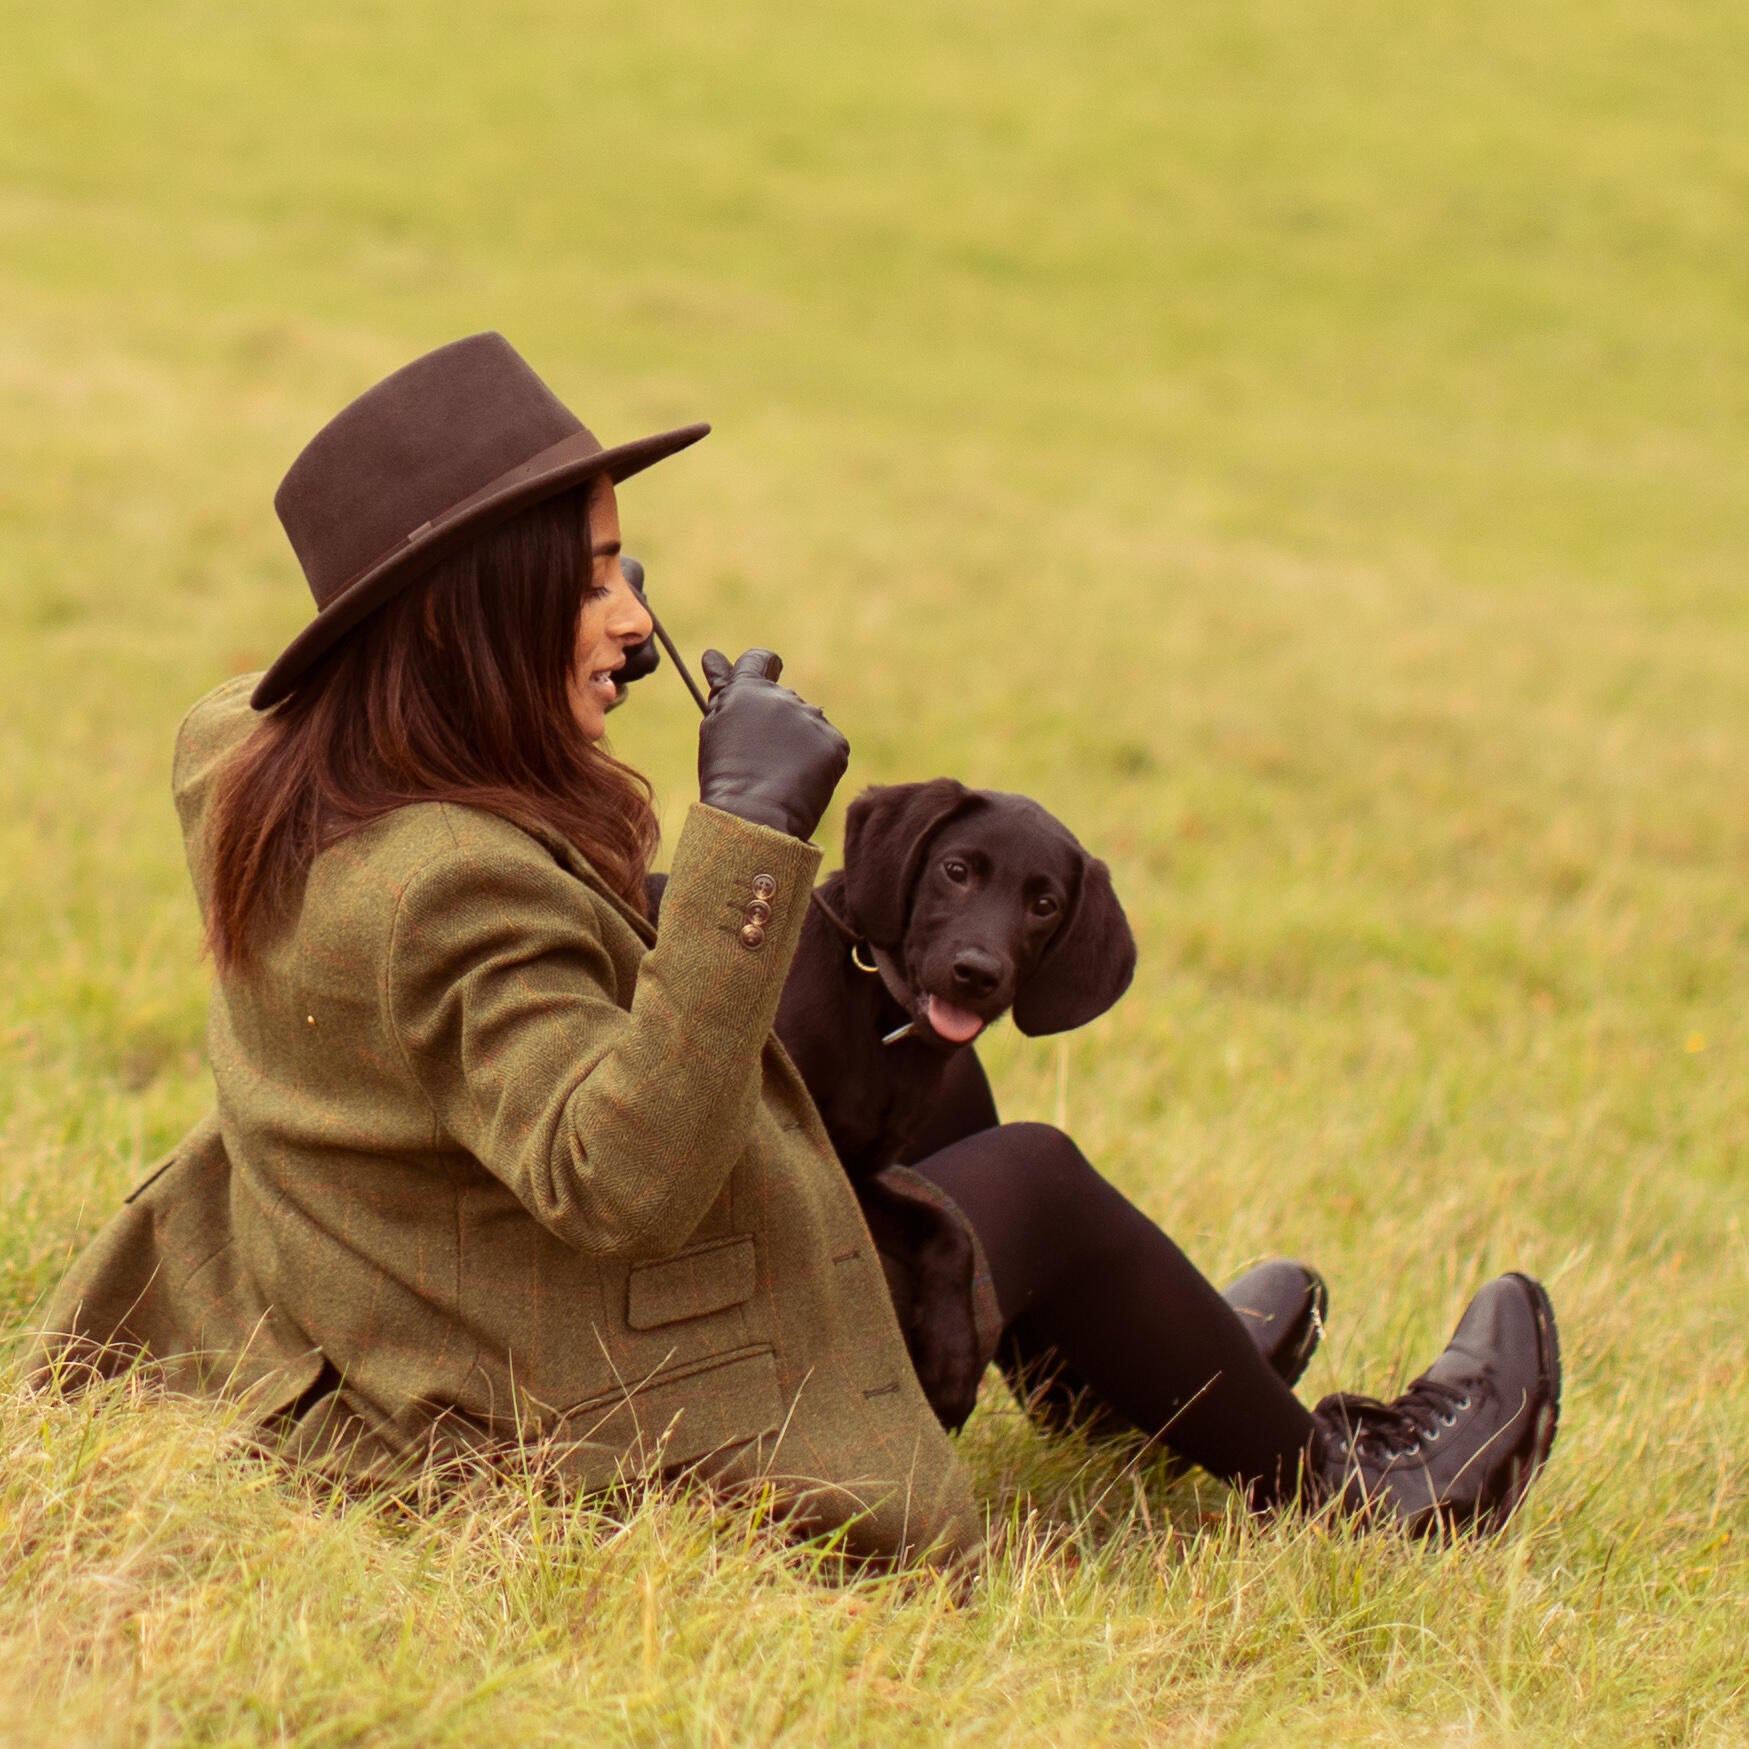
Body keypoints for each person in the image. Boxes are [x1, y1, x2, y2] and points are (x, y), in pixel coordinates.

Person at [29, 334, 1560, 1562]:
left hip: (402, 1308)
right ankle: (1369, 1485)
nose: (634, 622)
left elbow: (465, 916)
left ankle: (1142, 1366)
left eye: (627, 569)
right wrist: (747, 836)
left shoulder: (260, 762)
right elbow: (621, 1179)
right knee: (1022, 1177)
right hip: (563, 1402)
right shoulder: (441, 886)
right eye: (589, 578)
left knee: (906, 1101)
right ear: (449, 627)